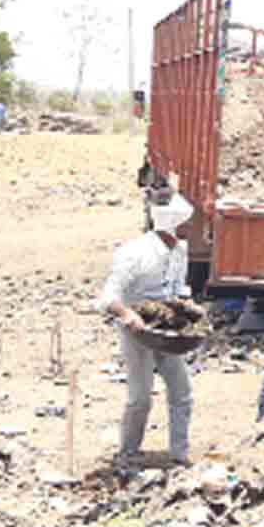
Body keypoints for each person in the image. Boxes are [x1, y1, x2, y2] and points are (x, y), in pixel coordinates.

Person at [94, 190, 199, 468]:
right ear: (173, 223)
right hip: (138, 332)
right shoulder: (135, 253)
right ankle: (129, 452)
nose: (192, 227)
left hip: (167, 330)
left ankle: (178, 454)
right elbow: (108, 297)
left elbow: (178, 288)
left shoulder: (180, 251)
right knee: (140, 398)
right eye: (187, 222)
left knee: (182, 393)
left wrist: (187, 306)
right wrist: (127, 314)